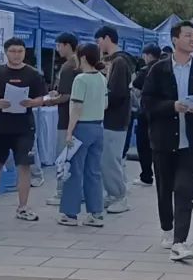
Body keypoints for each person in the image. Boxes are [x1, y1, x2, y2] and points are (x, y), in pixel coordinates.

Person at [141, 21, 193, 262]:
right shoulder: (158, 69)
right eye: (187, 35)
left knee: (185, 189)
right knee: (165, 189)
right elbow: (146, 103)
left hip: (191, 143)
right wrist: (172, 106)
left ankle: (180, 241)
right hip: (163, 141)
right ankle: (167, 228)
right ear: (175, 39)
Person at [0, 37, 48, 222]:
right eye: (13, 51)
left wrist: (32, 102)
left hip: (24, 127)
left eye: (20, 51)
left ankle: (23, 207)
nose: (17, 55)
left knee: (24, 166)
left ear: (25, 52)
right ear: (6, 53)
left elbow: (42, 98)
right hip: (0, 126)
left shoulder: (33, 74)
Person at [58, 43, 109, 227]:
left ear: (83, 58)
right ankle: (96, 213)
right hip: (98, 127)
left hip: (82, 128)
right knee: (93, 172)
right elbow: (105, 104)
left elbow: (77, 108)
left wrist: (69, 131)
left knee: (73, 171)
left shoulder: (80, 79)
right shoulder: (102, 78)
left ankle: (70, 214)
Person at [96, 26, 136, 214]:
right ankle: (113, 194)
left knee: (110, 160)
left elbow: (117, 93)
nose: (98, 45)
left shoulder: (119, 62)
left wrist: (101, 100)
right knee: (109, 159)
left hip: (115, 118)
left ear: (106, 38)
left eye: (98, 40)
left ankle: (119, 196)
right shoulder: (118, 61)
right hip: (114, 118)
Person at [44, 33, 79, 206]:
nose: (57, 49)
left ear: (67, 45)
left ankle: (61, 192)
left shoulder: (68, 67)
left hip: (66, 119)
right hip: (78, 118)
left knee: (63, 157)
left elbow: (66, 96)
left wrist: (49, 100)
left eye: (58, 45)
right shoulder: (79, 64)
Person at [131, 43, 161, 187]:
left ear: (148, 55)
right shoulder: (167, 68)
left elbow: (136, 85)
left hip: (146, 111)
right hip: (162, 112)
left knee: (143, 144)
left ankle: (146, 176)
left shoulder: (146, 70)